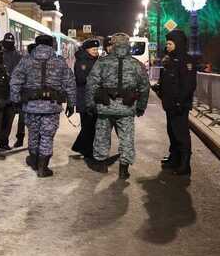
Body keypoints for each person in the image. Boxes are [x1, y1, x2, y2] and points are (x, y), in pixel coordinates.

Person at [10, 35, 76, 177]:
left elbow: (15, 81)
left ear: (37, 44)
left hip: (31, 106)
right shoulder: (60, 62)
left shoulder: (26, 60)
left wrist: (15, 101)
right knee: (47, 136)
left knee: (33, 134)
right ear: (52, 45)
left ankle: (33, 161)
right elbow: (70, 83)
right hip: (51, 107)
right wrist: (71, 103)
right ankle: (43, 168)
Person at [86, 33, 150, 179]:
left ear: (113, 45)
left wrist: (90, 104)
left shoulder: (102, 62)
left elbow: (92, 84)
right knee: (126, 137)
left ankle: (101, 164)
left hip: (105, 106)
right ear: (128, 45)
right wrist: (141, 106)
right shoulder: (136, 64)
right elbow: (144, 87)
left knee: (102, 136)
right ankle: (124, 169)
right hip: (126, 108)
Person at [152, 29, 196, 175]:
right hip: (170, 104)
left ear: (178, 43)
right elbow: (168, 80)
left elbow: (188, 85)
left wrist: (179, 102)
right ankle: (174, 157)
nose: (168, 46)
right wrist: (159, 88)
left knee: (181, 134)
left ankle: (185, 164)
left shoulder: (186, 60)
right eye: (167, 43)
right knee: (172, 132)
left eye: (170, 43)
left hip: (179, 105)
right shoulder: (170, 59)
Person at [71, 38, 100, 158]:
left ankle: (81, 147)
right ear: (87, 49)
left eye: (97, 49)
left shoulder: (95, 60)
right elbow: (81, 79)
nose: (96, 51)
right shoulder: (81, 61)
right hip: (84, 98)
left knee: (91, 125)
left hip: (94, 99)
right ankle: (86, 151)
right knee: (88, 126)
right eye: (93, 49)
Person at [0, 32, 23, 151]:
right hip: (4, 93)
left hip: (10, 93)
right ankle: (0, 141)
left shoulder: (17, 56)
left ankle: (3, 142)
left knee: (7, 120)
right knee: (3, 120)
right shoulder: (1, 55)